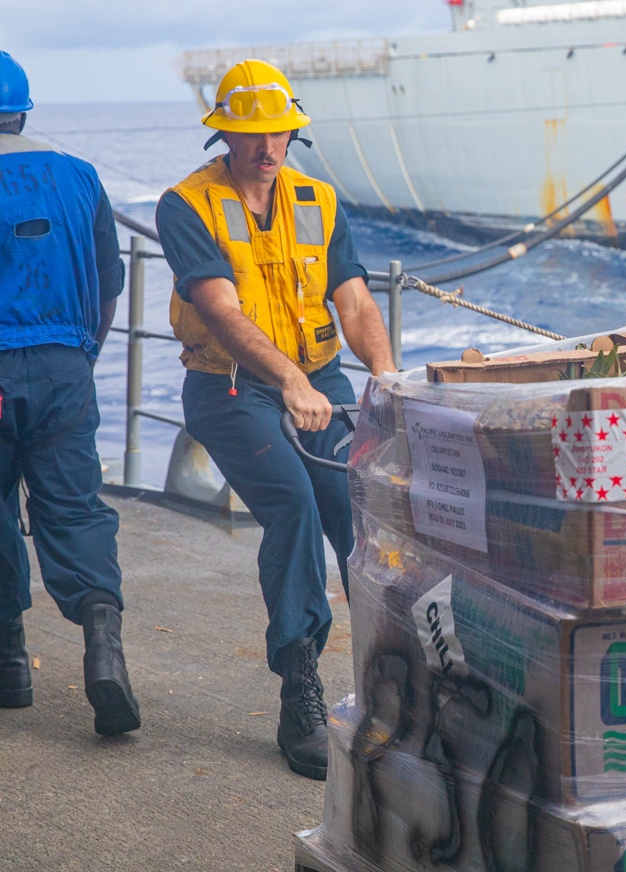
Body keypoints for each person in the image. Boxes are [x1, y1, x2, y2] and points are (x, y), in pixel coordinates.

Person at [155, 59, 397, 780]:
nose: (268, 147)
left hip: (319, 382)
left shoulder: (319, 199)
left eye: (279, 132)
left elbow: (352, 304)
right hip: (231, 387)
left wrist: (386, 379)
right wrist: (289, 379)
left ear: (293, 130)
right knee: (293, 506)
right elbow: (221, 313)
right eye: (252, 134)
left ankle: (396, 680)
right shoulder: (185, 206)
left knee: (359, 510)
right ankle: (300, 688)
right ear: (224, 134)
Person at [0, 51, 141, 736]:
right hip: (64, 365)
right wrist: (83, 355)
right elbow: (110, 282)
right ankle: (103, 644)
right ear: (23, 110)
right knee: (76, 510)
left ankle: (10, 669)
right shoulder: (79, 176)